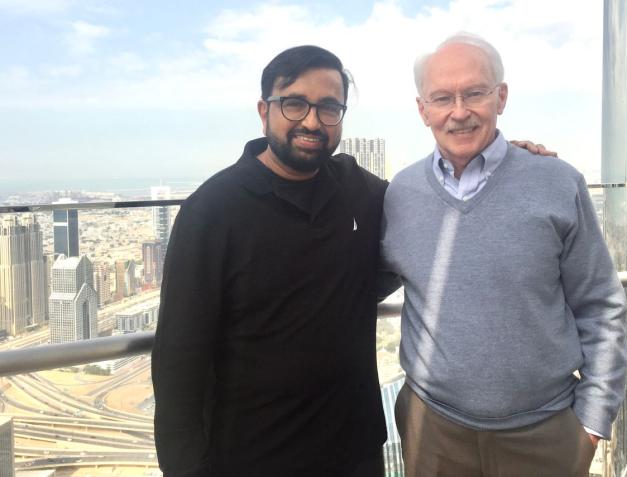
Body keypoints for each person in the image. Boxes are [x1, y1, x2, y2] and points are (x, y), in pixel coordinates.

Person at [152, 43, 553, 477]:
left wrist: (497, 161)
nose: (311, 120)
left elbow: (438, 201)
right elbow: (178, 363)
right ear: (263, 110)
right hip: (251, 457)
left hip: (355, 450)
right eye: (294, 104)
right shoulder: (213, 211)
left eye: (328, 107)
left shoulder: (361, 192)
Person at [380, 32, 627, 477]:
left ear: (501, 96)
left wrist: (592, 423)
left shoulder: (556, 182)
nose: (459, 111)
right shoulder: (400, 194)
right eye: (442, 98)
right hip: (432, 432)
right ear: (423, 110)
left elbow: (602, 305)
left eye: (474, 92)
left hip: (545, 433)